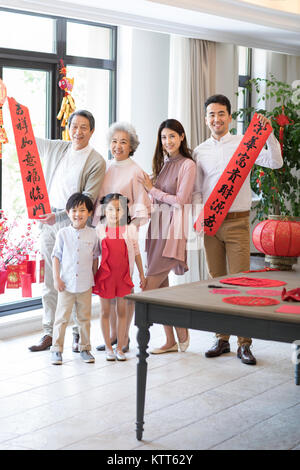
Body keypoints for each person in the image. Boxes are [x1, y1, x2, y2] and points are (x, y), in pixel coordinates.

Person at [192, 94, 283, 365]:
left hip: (237, 222)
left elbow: (275, 162)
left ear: (229, 117)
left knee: (241, 282)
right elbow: (198, 190)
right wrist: (198, 220)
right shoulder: (200, 151)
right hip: (211, 226)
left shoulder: (245, 144)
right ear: (206, 118)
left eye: (221, 114)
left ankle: (245, 343)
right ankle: (222, 338)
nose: (216, 119)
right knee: (218, 282)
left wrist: (268, 134)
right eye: (211, 114)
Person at [29, 110, 106, 352]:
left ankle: (75, 333)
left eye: (84, 127)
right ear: (68, 128)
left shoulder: (96, 161)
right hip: (48, 222)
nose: (78, 132)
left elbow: (88, 200)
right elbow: (27, 139)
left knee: (74, 278)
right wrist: (10, 109)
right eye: (74, 126)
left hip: (74, 225)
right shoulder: (59, 148)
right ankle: (48, 332)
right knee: (51, 279)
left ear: (92, 131)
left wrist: (60, 216)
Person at [139, 119, 196, 354]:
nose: (168, 141)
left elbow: (181, 201)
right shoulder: (163, 164)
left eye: (172, 136)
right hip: (157, 228)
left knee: (148, 289)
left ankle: (180, 328)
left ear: (181, 137)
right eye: (163, 137)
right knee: (161, 288)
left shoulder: (187, 165)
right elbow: (158, 199)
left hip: (172, 230)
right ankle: (171, 339)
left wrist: (152, 189)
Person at [92, 122, 151, 353]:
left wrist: (128, 231)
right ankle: (112, 337)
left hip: (124, 240)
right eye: (114, 141)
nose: (118, 146)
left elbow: (142, 208)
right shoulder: (105, 167)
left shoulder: (136, 171)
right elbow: (98, 204)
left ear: (131, 146)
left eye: (123, 142)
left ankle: (124, 338)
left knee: (124, 290)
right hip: (105, 236)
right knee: (107, 288)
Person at [93, 193, 146, 361]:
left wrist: (142, 275)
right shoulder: (100, 229)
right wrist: (93, 277)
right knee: (105, 311)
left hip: (123, 277)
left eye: (118, 209)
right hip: (105, 278)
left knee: (122, 311)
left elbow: (136, 253)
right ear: (104, 210)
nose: (114, 213)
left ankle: (121, 347)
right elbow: (95, 255)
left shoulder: (130, 229)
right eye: (110, 209)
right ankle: (108, 346)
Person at [50, 193, 99, 365]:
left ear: (90, 213)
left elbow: (95, 258)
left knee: (84, 319)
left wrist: (95, 277)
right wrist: (57, 278)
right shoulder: (62, 234)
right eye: (74, 210)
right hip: (66, 284)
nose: (78, 214)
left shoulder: (93, 234)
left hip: (86, 284)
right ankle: (56, 349)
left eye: (82, 210)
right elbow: (56, 257)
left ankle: (85, 348)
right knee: (61, 318)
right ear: (68, 212)